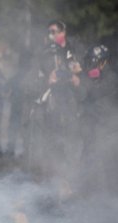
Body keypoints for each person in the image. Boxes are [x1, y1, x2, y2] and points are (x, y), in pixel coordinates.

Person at [25, 20, 82, 178]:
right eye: (49, 32)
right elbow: (30, 83)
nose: (51, 35)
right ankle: (51, 182)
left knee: (72, 145)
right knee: (50, 147)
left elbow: (83, 75)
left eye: (54, 31)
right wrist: (47, 81)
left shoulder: (73, 51)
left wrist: (77, 78)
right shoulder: (42, 53)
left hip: (71, 105)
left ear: (63, 32)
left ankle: (71, 181)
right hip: (50, 107)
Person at [76, 44, 118, 194]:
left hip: (108, 130)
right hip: (95, 129)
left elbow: (94, 93)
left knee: (109, 167)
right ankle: (85, 193)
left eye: (92, 62)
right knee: (88, 160)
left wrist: (79, 79)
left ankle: (110, 200)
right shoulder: (97, 76)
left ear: (102, 62)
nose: (89, 66)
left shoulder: (111, 77)